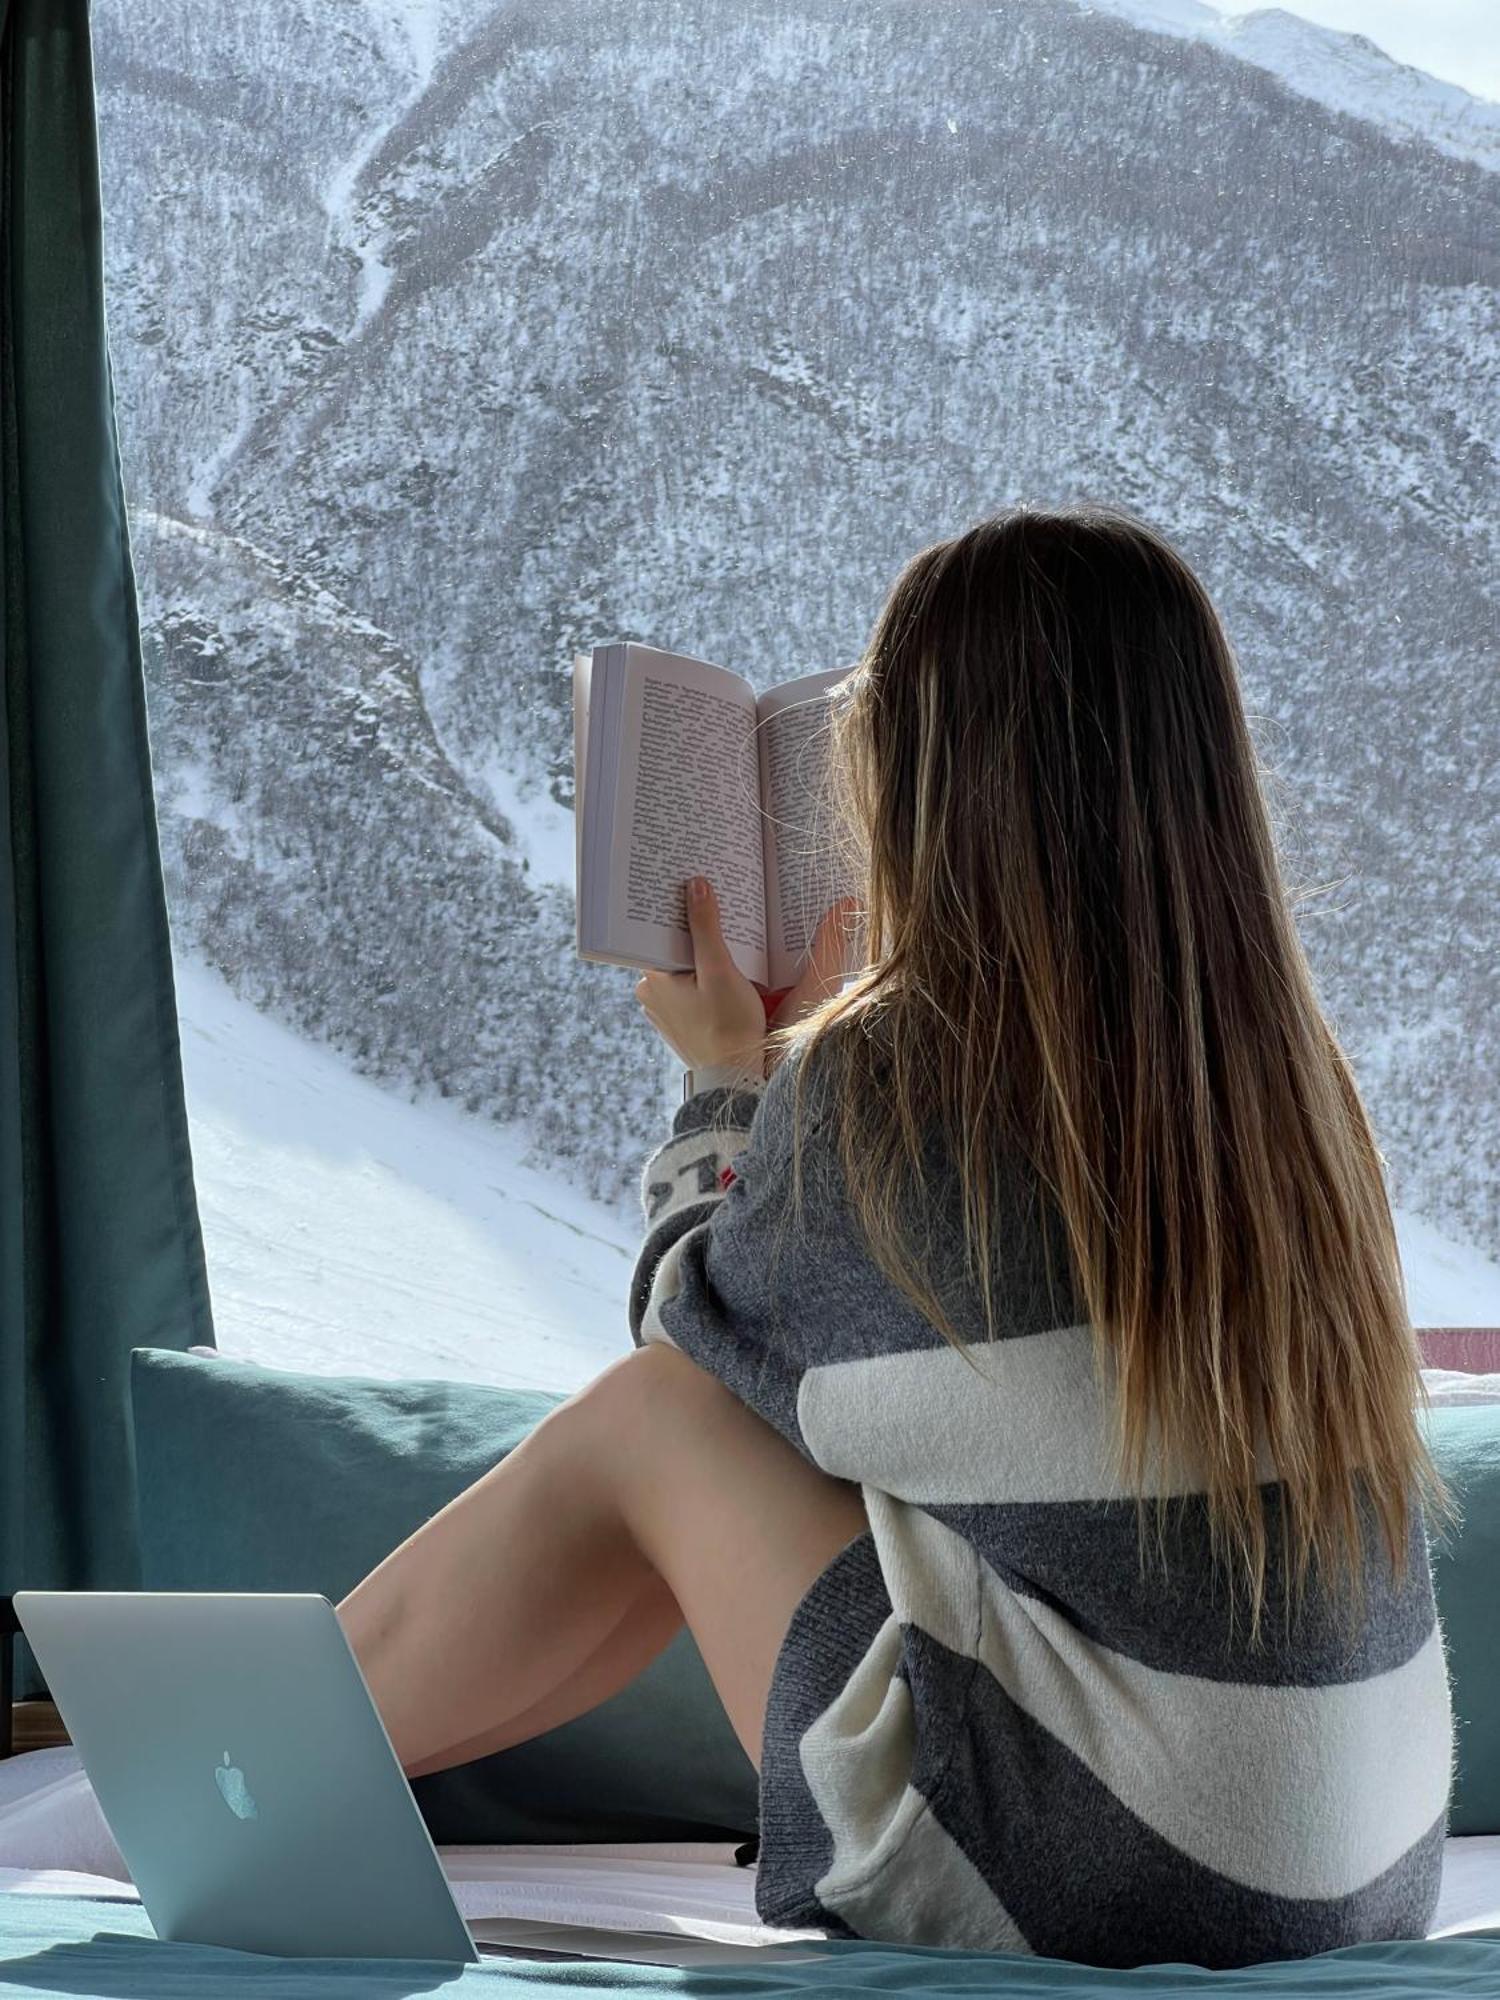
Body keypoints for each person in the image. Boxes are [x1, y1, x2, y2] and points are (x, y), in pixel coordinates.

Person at [339, 505, 1452, 1968]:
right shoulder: (1286, 1092)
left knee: (655, 1420)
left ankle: (226, 1770)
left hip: (1106, 1874)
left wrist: (732, 1080)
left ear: (925, 773)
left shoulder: (906, 1070)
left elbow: (699, 1336)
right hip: (1357, 1873)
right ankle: (270, 1761)